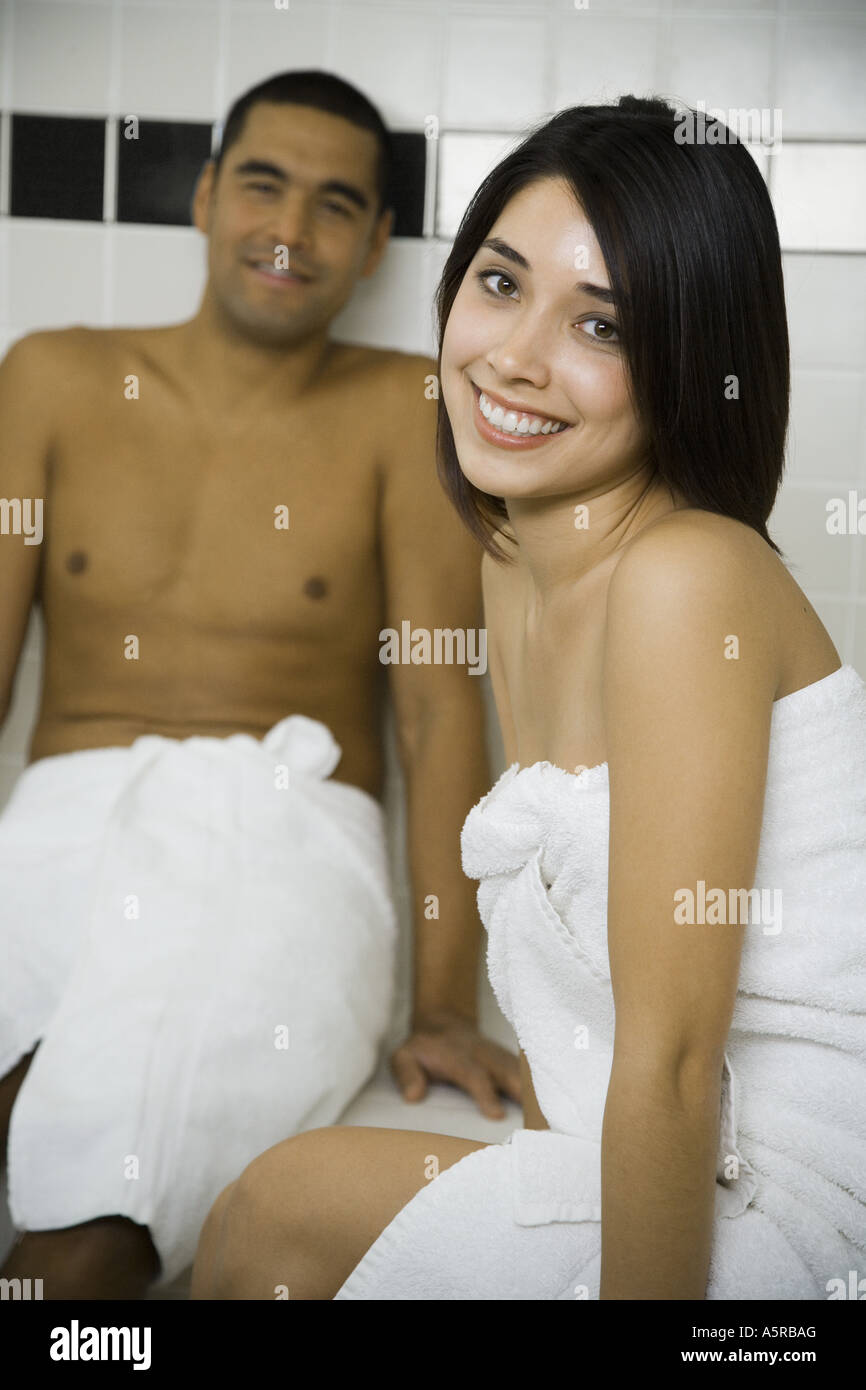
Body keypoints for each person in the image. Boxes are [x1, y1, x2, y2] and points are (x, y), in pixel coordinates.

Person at [190, 95, 866, 1301]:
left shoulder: (684, 575)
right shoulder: (511, 558)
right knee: (267, 1214)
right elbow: (579, 982)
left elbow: (668, 1057)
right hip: (663, 1159)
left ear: (685, 359)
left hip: (794, 1206)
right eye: (498, 285)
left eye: (598, 325)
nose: (511, 356)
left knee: (272, 1216)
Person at [0, 69, 521, 1301]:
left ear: (377, 241)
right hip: (64, 820)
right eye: (262, 185)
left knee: (104, 1193)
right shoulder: (51, 378)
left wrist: (442, 1005)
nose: (289, 230)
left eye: (336, 204)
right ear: (203, 196)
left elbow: (439, 707)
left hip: (287, 838)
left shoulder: (406, 409)